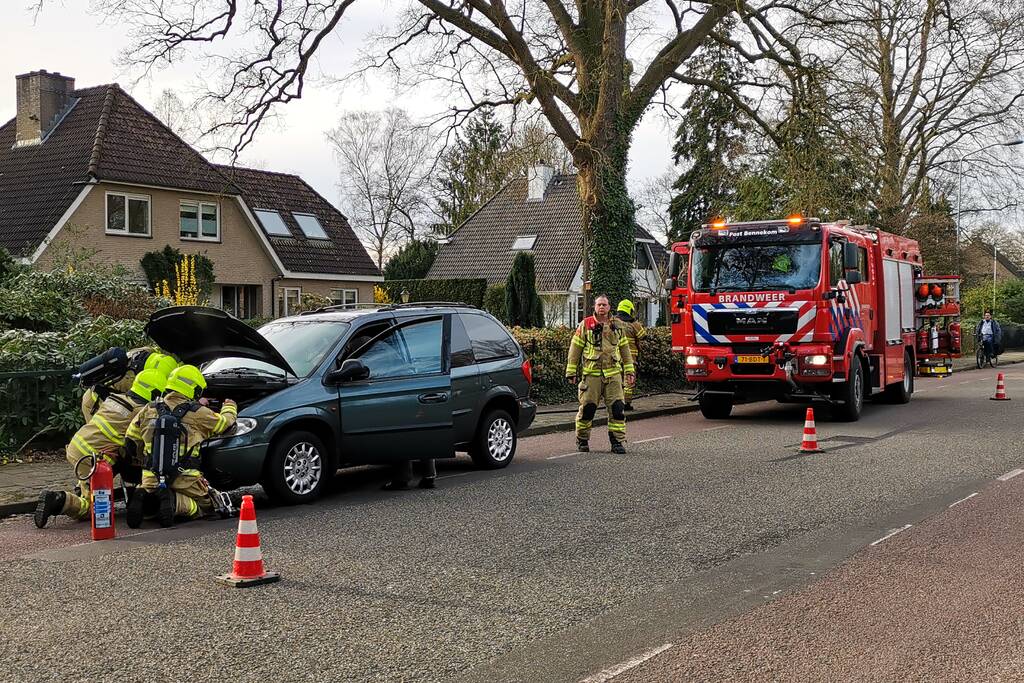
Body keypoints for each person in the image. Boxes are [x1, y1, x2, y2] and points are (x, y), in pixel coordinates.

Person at [34, 369, 168, 528]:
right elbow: (139, 447)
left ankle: (82, 489)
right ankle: (58, 500)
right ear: (154, 393)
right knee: (94, 509)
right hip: (92, 458)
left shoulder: (115, 398)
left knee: (93, 479)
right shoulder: (142, 412)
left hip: (78, 446)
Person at [125, 364, 237, 528]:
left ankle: (144, 493)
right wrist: (229, 407)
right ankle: (174, 501)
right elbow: (226, 426)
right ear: (194, 389)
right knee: (206, 508)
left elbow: (130, 441)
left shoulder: (149, 409)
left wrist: (146, 459)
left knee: (153, 503)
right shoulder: (199, 412)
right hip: (186, 479)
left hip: (150, 476)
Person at [565, 294, 636, 454]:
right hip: (592, 375)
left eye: (604, 305)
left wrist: (629, 370)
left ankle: (617, 442)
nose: (602, 307)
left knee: (617, 409)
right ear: (594, 307)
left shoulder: (617, 326)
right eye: (599, 305)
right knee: (588, 409)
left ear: (609, 307)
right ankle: (582, 439)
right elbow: (575, 348)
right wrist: (571, 370)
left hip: (614, 375)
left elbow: (625, 349)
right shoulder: (586, 325)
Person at [614, 299, 646, 410]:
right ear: (629, 310)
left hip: (615, 357)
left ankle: (616, 401)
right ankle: (626, 403)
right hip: (630, 358)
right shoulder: (633, 324)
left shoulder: (612, 322)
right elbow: (643, 335)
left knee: (616, 380)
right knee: (629, 380)